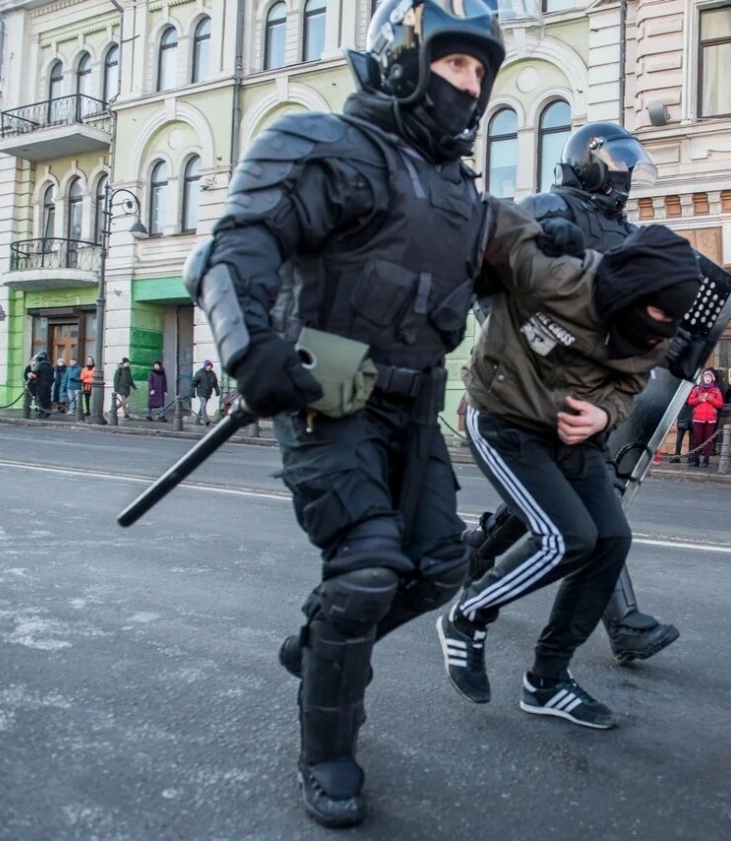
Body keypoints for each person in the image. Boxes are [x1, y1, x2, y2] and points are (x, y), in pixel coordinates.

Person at [186, 0, 539, 827]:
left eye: (481, 73)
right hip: (326, 395)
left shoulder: (464, 196)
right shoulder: (330, 147)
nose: (472, 84)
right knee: (368, 566)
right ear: (404, 57)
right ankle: (329, 747)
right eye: (456, 64)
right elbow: (234, 247)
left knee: (439, 567)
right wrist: (252, 349)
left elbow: (536, 271)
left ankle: (318, 646)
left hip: (415, 410)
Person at [437, 223, 702, 730]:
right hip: (502, 420)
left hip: (573, 439)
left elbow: (628, 383)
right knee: (565, 539)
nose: (664, 328)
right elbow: (480, 216)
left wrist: (604, 415)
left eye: (675, 318)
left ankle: (547, 681)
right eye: (660, 312)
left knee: (609, 540)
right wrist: (534, 226)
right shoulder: (556, 276)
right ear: (632, 290)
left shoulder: (652, 331)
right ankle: (468, 615)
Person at [460, 121, 683, 666]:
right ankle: (622, 626)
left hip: (590, 393)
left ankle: (479, 554)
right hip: (529, 385)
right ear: (588, 160)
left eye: (632, 164)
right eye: (618, 162)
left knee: (567, 500)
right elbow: (491, 278)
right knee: (586, 507)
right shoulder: (544, 207)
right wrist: (525, 346)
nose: (627, 174)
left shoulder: (631, 235)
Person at [687, 368, 724, 467]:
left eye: (709, 377)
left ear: (712, 379)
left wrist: (711, 399)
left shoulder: (716, 390)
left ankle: (706, 460)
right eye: (706, 377)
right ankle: (696, 458)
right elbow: (690, 402)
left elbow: (720, 404)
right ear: (703, 378)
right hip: (698, 418)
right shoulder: (697, 389)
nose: (707, 378)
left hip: (710, 419)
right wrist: (699, 399)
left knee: (708, 440)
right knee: (697, 439)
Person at [191, 360, 220, 426]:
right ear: (205, 366)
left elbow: (215, 383)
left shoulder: (212, 374)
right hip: (201, 392)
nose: (209, 367)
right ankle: (206, 419)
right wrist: (192, 392)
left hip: (208, 393)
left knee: (202, 407)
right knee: (203, 405)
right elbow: (193, 383)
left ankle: (197, 420)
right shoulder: (199, 373)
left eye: (210, 366)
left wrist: (217, 390)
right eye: (207, 366)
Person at [30, 351, 54, 418]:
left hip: (40, 384)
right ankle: (47, 411)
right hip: (49, 385)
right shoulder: (50, 366)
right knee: (47, 398)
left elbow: (34, 374)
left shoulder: (39, 365)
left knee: (41, 398)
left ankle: (42, 411)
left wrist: (30, 376)